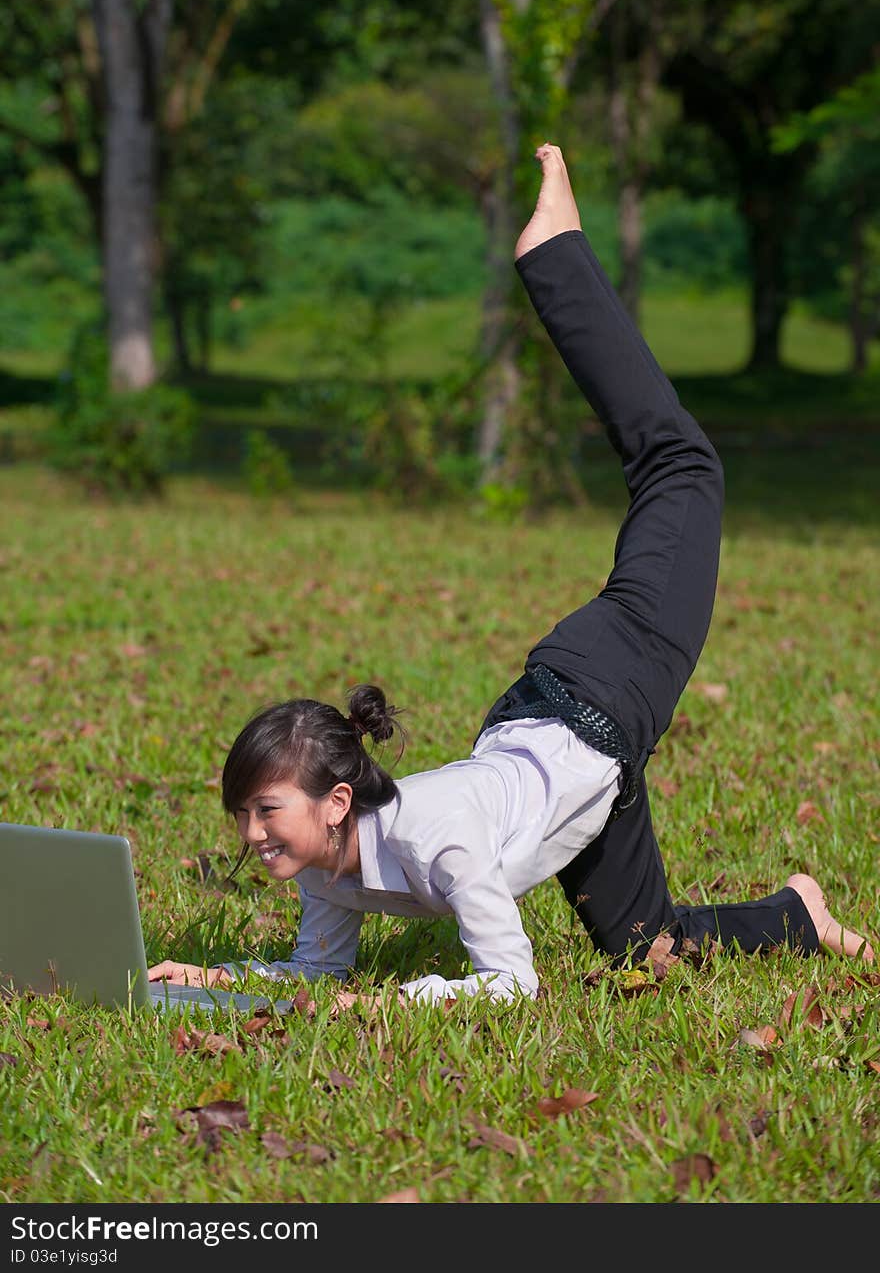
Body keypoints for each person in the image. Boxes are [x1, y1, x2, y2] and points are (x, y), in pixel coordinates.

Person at [149, 144, 873, 1004]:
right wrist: (211, 976)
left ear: (335, 801)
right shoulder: (325, 864)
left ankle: (555, 254)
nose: (251, 832)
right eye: (245, 813)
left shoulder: (439, 844)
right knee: (652, 953)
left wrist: (385, 1002)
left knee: (679, 466)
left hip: (605, 687)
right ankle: (801, 914)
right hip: (567, 753)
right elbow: (316, 977)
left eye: (266, 812)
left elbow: (511, 983)